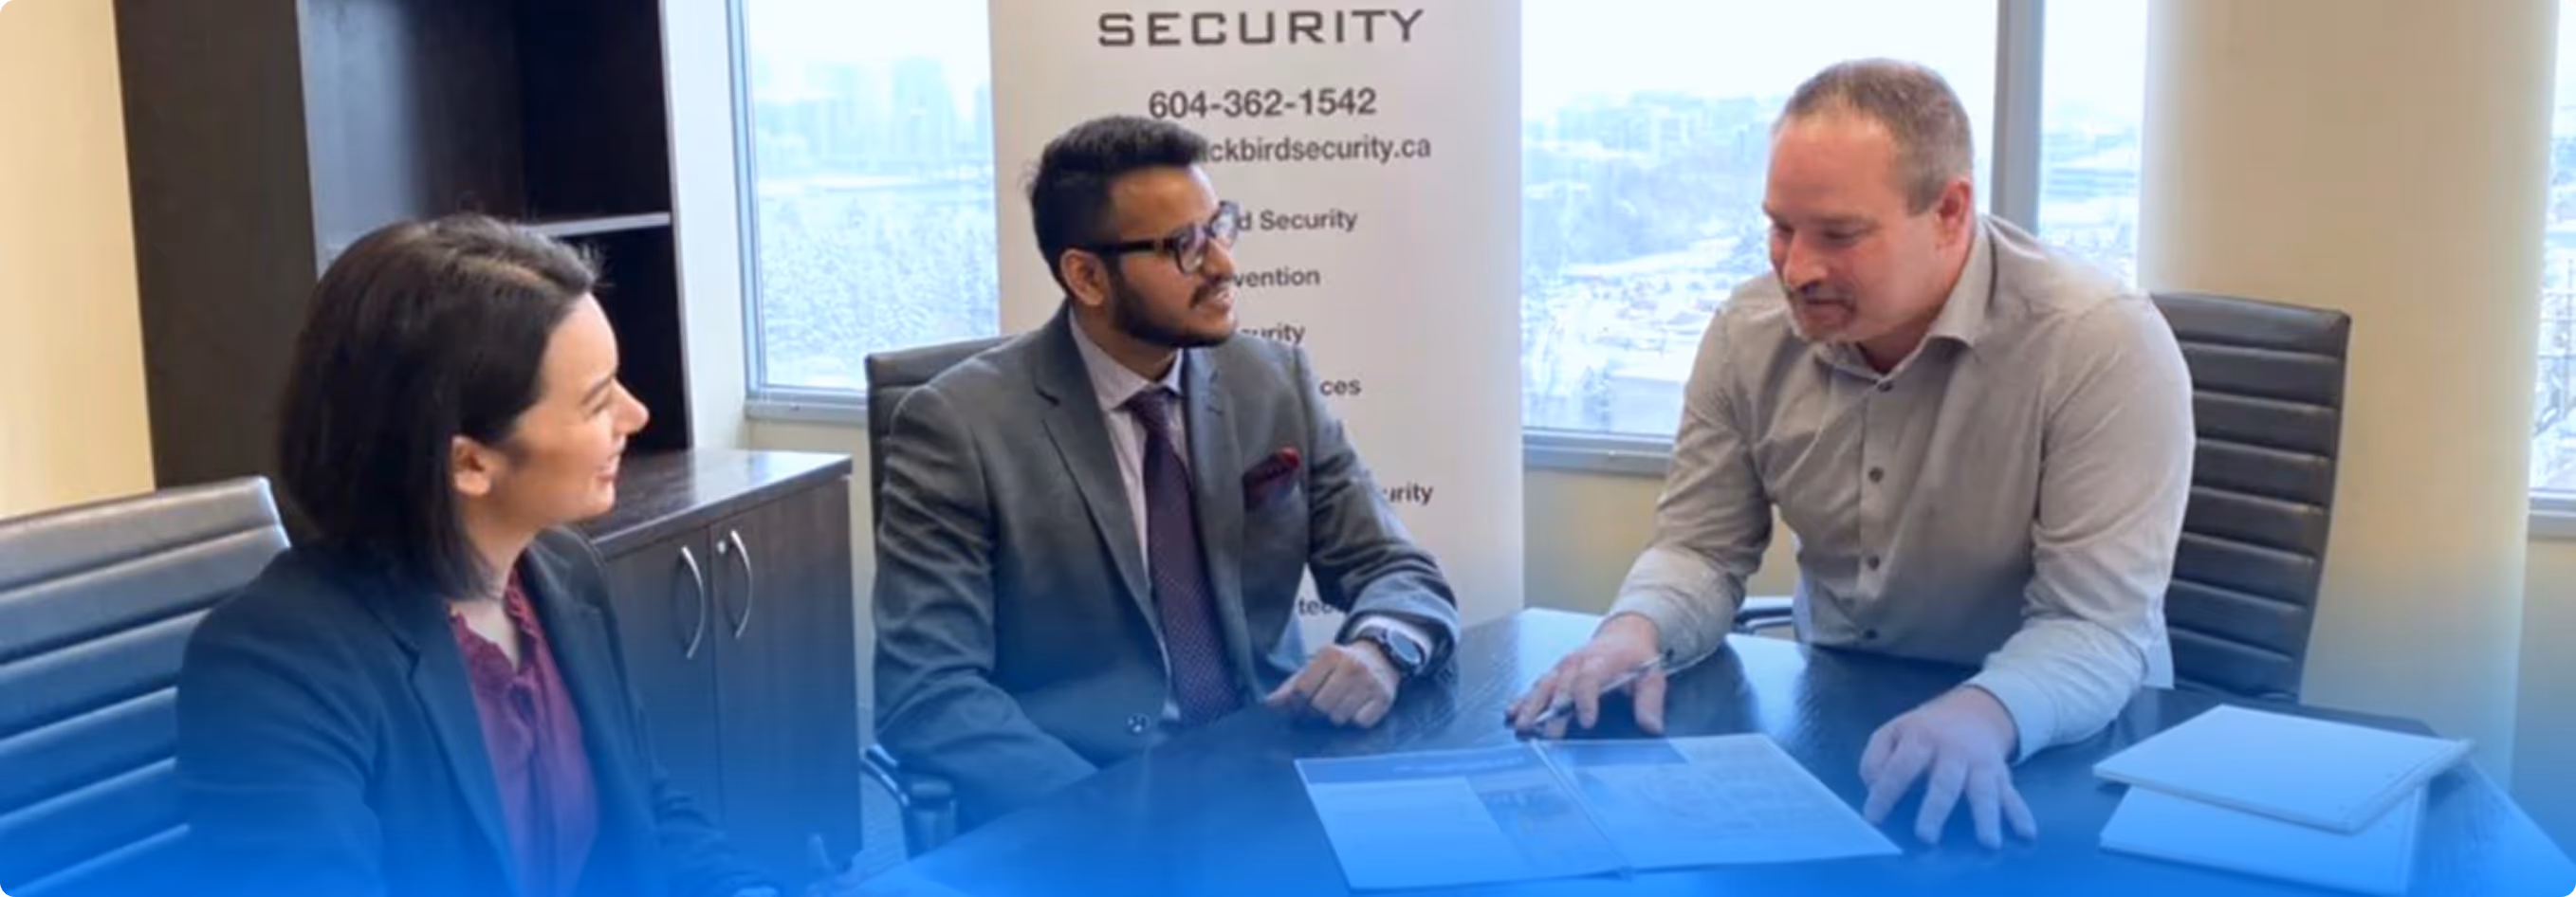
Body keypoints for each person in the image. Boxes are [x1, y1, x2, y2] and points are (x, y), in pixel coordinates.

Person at [1508, 59, 2194, 850]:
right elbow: (1701, 546)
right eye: (1779, 227)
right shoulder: (1749, 330)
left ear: (1950, 212)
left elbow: (2094, 626)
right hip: (1837, 719)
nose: (1797, 269)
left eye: (1839, 235)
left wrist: (1982, 713)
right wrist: (1632, 633)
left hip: (2057, 739)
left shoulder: (2097, 342)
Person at [175, 214, 865, 897]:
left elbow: (646, 808)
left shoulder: (562, 575)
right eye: (597, 403)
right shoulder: (275, 665)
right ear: (470, 462)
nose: (636, 416)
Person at [872, 114, 1462, 826]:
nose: (1223, 263)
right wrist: (1110, 812)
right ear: (1086, 276)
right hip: (1083, 804)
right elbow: (927, 691)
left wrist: (1380, 648)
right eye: (1184, 245)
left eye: (1219, 227)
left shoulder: (1273, 382)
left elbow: (1398, 568)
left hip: (1272, 773)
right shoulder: (958, 424)